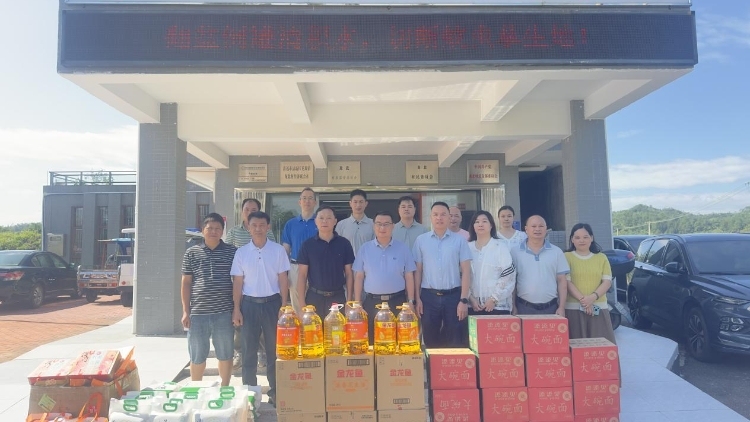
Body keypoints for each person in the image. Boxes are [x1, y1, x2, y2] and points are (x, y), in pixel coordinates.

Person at [231, 211, 290, 406]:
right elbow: (238, 282)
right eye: (254, 225)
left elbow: (283, 279)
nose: (258, 228)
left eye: (262, 225)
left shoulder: (278, 250)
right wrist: (236, 309)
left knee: (274, 351)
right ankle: (250, 394)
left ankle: (276, 392)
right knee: (249, 351)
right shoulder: (241, 253)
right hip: (249, 306)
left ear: (268, 227)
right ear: (248, 227)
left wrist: (284, 305)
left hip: (273, 305)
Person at [180, 213, 236, 387]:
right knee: (197, 356)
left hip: (224, 312)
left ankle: (224, 389)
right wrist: (185, 311)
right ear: (202, 230)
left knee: (225, 354)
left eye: (217, 228)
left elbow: (238, 282)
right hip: (198, 314)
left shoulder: (232, 252)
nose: (213, 231)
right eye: (209, 228)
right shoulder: (191, 252)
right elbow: (186, 283)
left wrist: (236, 309)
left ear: (222, 231)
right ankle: (196, 390)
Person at [224, 197, 275, 370]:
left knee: (263, 323)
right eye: (246, 209)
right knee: (240, 321)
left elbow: (271, 253)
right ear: (242, 212)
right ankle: (239, 352)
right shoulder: (233, 232)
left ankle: (262, 353)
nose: (249, 212)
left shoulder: (266, 231)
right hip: (240, 283)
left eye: (254, 209)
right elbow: (227, 253)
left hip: (261, 285)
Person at [413, 202, 472, 348]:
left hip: (454, 297)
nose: (439, 218)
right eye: (435, 214)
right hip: (428, 297)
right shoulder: (421, 240)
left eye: (443, 214)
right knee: (430, 339)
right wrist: (417, 299)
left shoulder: (459, 241)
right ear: (430, 217)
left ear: (449, 217)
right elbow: (418, 271)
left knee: (455, 339)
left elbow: (466, 271)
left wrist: (464, 300)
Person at [353, 211, 416, 344]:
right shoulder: (365, 249)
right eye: (379, 224)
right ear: (373, 226)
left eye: (386, 224)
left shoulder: (403, 248)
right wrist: (357, 303)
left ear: (393, 226)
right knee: (372, 341)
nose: (382, 228)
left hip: (397, 302)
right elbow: (359, 277)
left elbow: (409, 276)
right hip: (372, 302)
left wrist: (411, 301)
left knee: (399, 341)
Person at [297, 206, 355, 319]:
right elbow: (302, 275)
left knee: (337, 329)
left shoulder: (344, 244)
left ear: (335, 221)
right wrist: (302, 304)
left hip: (337, 297)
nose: (325, 221)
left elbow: (349, 273)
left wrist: (349, 301)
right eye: (321, 218)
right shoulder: (308, 245)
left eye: (329, 218)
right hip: (314, 298)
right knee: (313, 329)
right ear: (315, 221)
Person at [564, 223, 616, 345]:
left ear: (591, 238)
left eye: (585, 237)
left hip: (598, 308)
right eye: (577, 237)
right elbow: (567, 281)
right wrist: (584, 301)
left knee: (601, 348)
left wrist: (591, 298)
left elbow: (607, 282)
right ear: (572, 239)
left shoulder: (601, 258)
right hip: (573, 309)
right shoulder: (566, 257)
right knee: (576, 347)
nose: (581, 240)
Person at [510, 215, 569, 316]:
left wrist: (561, 307)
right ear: (526, 229)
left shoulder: (556, 252)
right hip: (523, 308)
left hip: (551, 308)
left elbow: (562, 281)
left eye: (541, 226)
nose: (537, 229)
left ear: (546, 229)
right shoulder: (515, 252)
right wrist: (513, 306)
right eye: (533, 226)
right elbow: (512, 281)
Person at [467, 211, 516, 315]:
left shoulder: (500, 246)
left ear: (491, 225)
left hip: (498, 306)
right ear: (473, 226)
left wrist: (494, 298)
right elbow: (461, 275)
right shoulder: (467, 248)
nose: (480, 224)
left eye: (484, 221)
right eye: (477, 222)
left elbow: (509, 275)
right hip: (473, 306)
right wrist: (470, 298)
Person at [281, 188, 319, 316]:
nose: (307, 201)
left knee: (315, 302)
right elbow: (286, 249)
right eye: (304, 198)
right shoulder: (290, 224)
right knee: (297, 305)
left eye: (310, 198)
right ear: (299, 202)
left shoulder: (321, 222)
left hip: (316, 267)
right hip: (295, 267)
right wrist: (285, 273)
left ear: (315, 202)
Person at [335, 189, 374, 256]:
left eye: (361, 202)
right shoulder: (341, 224)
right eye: (355, 202)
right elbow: (337, 246)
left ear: (366, 203)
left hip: (368, 261)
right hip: (348, 262)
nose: (358, 205)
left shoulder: (373, 224)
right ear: (350, 203)